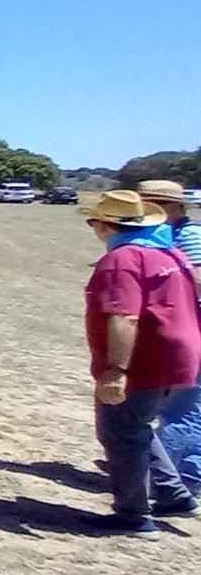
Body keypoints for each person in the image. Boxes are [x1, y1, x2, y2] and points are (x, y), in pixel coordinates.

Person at [79, 191, 201, 538]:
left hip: (145, 358)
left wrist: (117, 370)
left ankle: (133, 515)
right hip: (179, 354)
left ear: (106, 225)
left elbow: (124, 315)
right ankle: (173, 494)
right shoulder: (168, 251)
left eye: (94, 222)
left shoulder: (124, 258)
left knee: (120, 431)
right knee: (137, 426)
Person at [140, 180, 201, 491]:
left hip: (194, 328)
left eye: (152, 206)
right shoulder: (171, 235)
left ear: (175, 208)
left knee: (183, 408)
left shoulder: (189, 237)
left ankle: (181, 481)